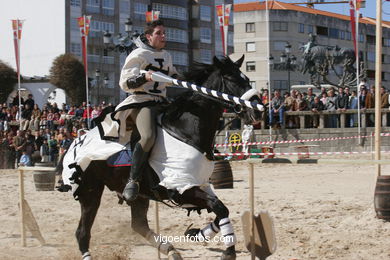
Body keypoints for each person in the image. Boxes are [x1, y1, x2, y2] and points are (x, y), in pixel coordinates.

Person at [119, 20, 178, 202]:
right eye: (159, 33)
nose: (163, 36)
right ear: (149, 36)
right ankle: (133, 180)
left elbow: (172, 76)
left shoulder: (166, 55)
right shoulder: (139, 54)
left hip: (161, 101)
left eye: (164, 33)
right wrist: (142, 77)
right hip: (141, 101)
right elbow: (125, 83)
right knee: (148, 136)